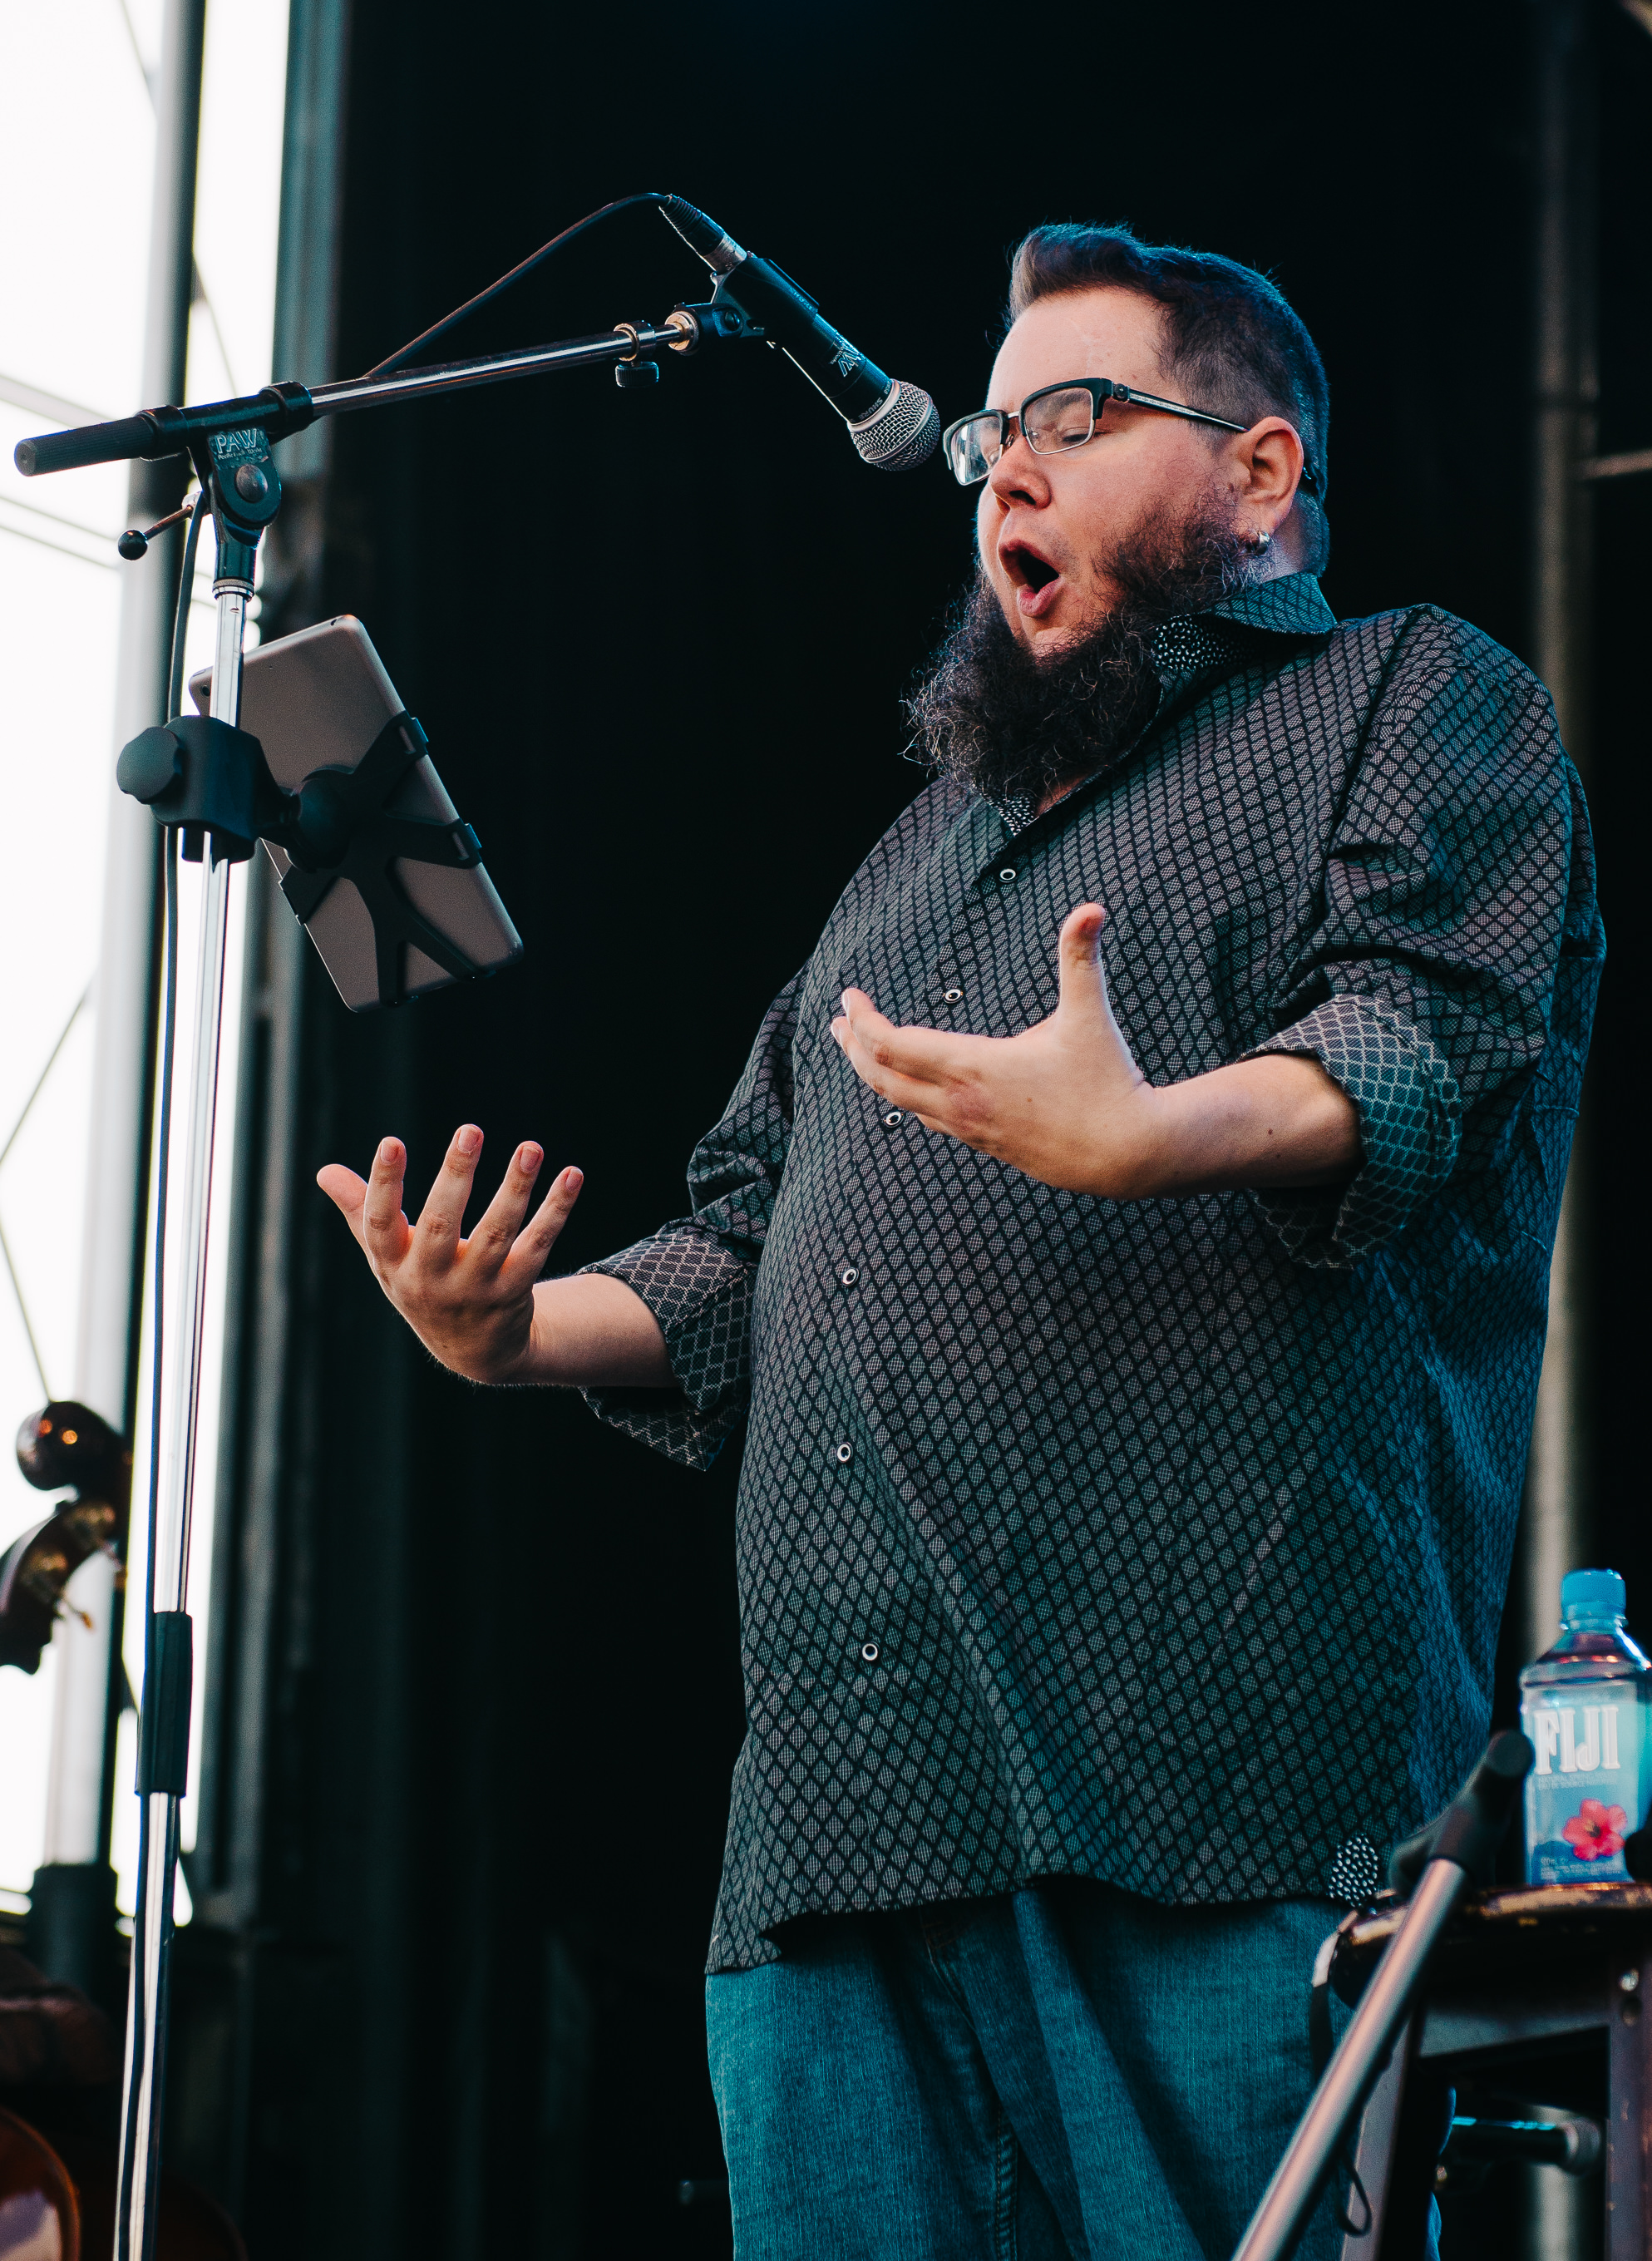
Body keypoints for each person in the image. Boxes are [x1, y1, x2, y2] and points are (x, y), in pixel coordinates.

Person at [318, 224, 1603, 2260]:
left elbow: (1423, 1038)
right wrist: (517, 1333)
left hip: (1210, 1804)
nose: (1004, 463)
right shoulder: (911, 858)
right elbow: (749, 1233)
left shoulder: (1406, 696)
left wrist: (1157, 1127)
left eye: (1073, 419)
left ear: (1259, 476)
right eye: (995, 428)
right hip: (837, 1839)